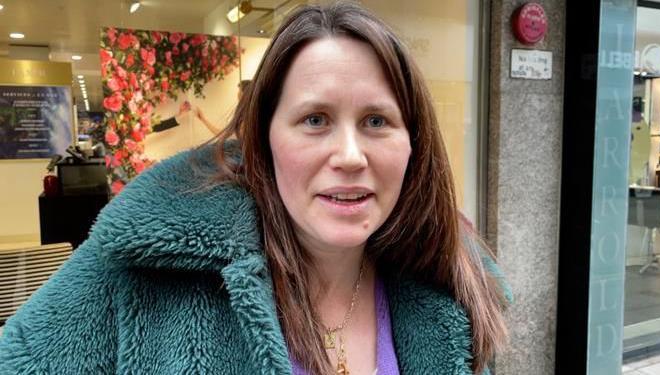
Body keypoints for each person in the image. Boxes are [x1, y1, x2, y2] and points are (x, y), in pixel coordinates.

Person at [0, 2, 510, 374]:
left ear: (413, 144)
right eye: (315, 119)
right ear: (264, 140)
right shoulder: (142, 268)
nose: (351, 156)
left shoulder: (454, 284)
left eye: (377, 120)